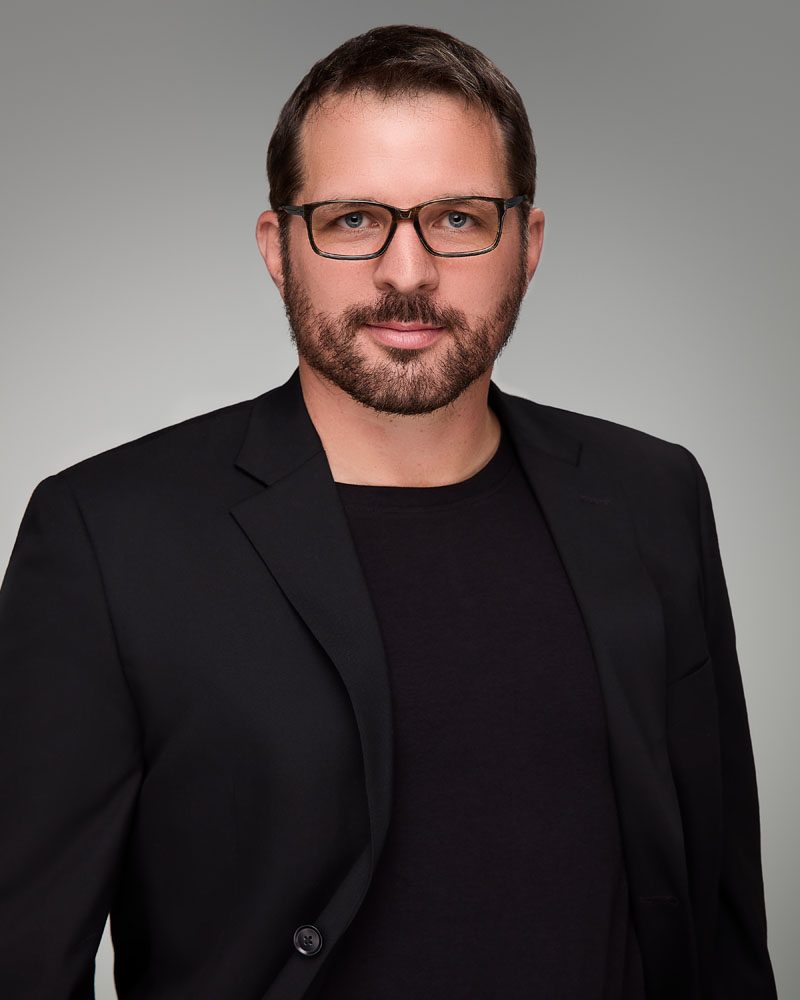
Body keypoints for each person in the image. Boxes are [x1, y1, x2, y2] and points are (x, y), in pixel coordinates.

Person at [0, 23, 777, 1000]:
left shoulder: (651, 498)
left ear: (526, 245)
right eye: (352, 218)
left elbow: (717, 932)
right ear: (278, 247)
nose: (405, 272)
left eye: (455, 219)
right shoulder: (107, 536)